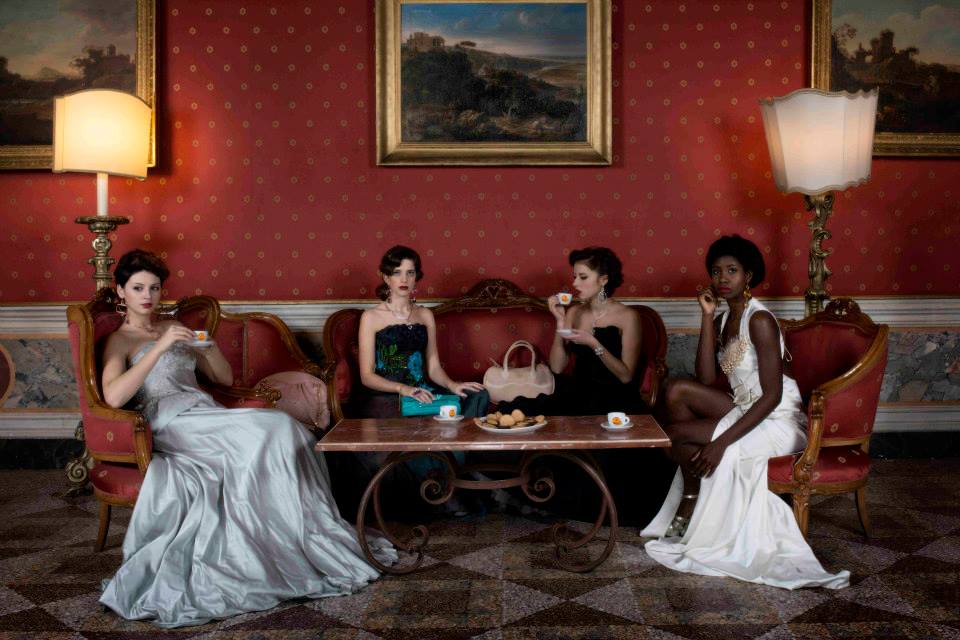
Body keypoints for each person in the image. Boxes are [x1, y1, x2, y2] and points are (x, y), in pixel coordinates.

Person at [98, 249, 395, 627]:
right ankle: (266, 549)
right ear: (120, 291)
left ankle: (291, 538)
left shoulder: (173, 326)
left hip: (205, 411)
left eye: (154, 288)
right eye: (138, 288)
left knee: (286, 429)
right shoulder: (120, 340)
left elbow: (222, 379)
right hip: (170, 422)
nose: (147, 296)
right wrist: (159, 347)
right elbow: (114, 397)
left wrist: (206, 347)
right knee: (267, 433)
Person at [641, 235, 849, 589]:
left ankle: (693, 499)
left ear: (748, 275)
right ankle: (695, 492)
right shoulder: (725, 318)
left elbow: (772, 397)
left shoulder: (760, 320)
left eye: (732, 270)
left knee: (674, 436)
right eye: (716, 271)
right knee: (676, 389)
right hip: (744, 407)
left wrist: (720, 443)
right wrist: (707, 317)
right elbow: (706, 378)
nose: (722, 278)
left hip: (777, 419)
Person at [330, 245, 488, 519]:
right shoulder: (371, 317)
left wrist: (453, 385)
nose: (404, 279)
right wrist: (404, 389)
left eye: (410, 273)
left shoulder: (425, 315)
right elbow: (367, 376)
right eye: (397, 272)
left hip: (423, 391)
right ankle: (446, 489)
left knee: (477, 396)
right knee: (424, 425)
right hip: (387, 397)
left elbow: (434, 367)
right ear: (385, 277)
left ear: (417, 278)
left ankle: (458, 475)